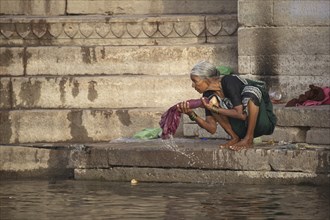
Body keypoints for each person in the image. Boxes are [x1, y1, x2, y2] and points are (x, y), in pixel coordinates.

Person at [177, 61, 277, 150]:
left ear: (207, 79)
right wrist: (191, 114)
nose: (193, 86)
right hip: (241, 129)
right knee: (213, 103)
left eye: (195, 81)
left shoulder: (228, 81)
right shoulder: (208, 95)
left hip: (263, 122)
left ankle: (248, 138)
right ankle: (235, 137)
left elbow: (241, 114)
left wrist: (214, 108)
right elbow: (211, 128)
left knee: (253, 91)